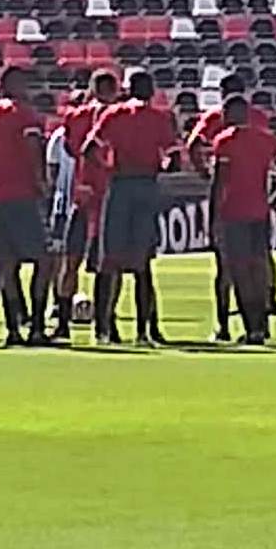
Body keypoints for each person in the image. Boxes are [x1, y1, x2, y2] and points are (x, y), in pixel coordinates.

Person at [86, 66, 180, 346]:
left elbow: (89, 149)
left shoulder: (113, 114)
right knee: (143, 262)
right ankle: (144, 331)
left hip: (120, 184)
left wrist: (108, 168)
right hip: (146, 184)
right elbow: (173, 159)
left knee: (109, 260)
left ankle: (104, 328)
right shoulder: (160, 119)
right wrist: (159, 166)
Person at [188, 73, 273, 343]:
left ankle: (226, 324)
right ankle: (262, 321)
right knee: (261, 265)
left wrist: (205, 173)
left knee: (229, 269)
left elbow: (193, 145)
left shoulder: (218, 125)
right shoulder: (259, 120)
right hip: (259, 206)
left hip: (232, 206)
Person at [0, 67, 49, 347]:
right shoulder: (24, 113)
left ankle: (12, 328)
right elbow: (32, 149)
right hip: (22, 193)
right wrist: (41, 181)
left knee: (7, 263)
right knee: (43, 260)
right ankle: (37, 326)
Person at [210, 95, 276, 345]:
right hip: (260, 213)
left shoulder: (224, 141)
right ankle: (262, 326)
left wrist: (213, 218)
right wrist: (273, 199)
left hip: (234, 214)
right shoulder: (266, 139)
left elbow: (218, 184)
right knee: (259, 270)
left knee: (239, 272)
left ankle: (251, 327)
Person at [49, 69, 118, 341]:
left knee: (70, 261)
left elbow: (70, 149)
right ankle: (105, 326)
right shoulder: (120, 117)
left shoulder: (75, 118)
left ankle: (63, 323)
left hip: (82, 195)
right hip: (109, 196)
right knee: (108, 265)